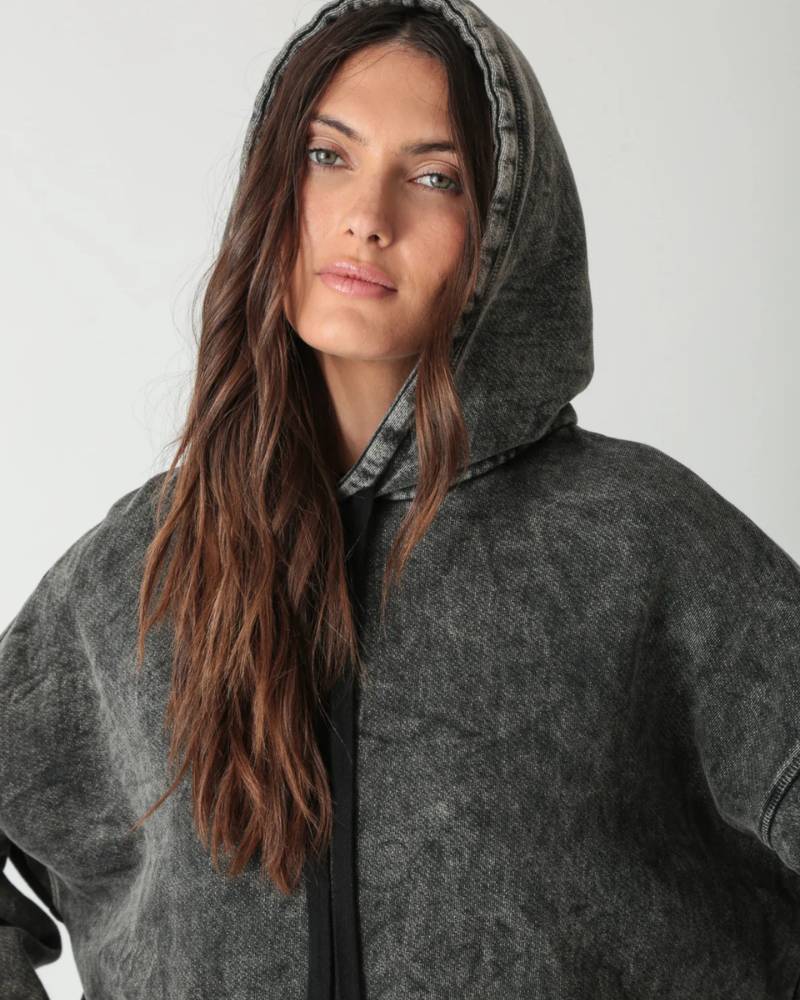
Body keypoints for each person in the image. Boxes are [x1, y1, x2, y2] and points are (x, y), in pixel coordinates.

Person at [1, 0, 799, 997]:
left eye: (433, 177)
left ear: (503, 233)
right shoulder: (139, 569)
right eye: (326, 156)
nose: (366, 215)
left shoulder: (638, 542)